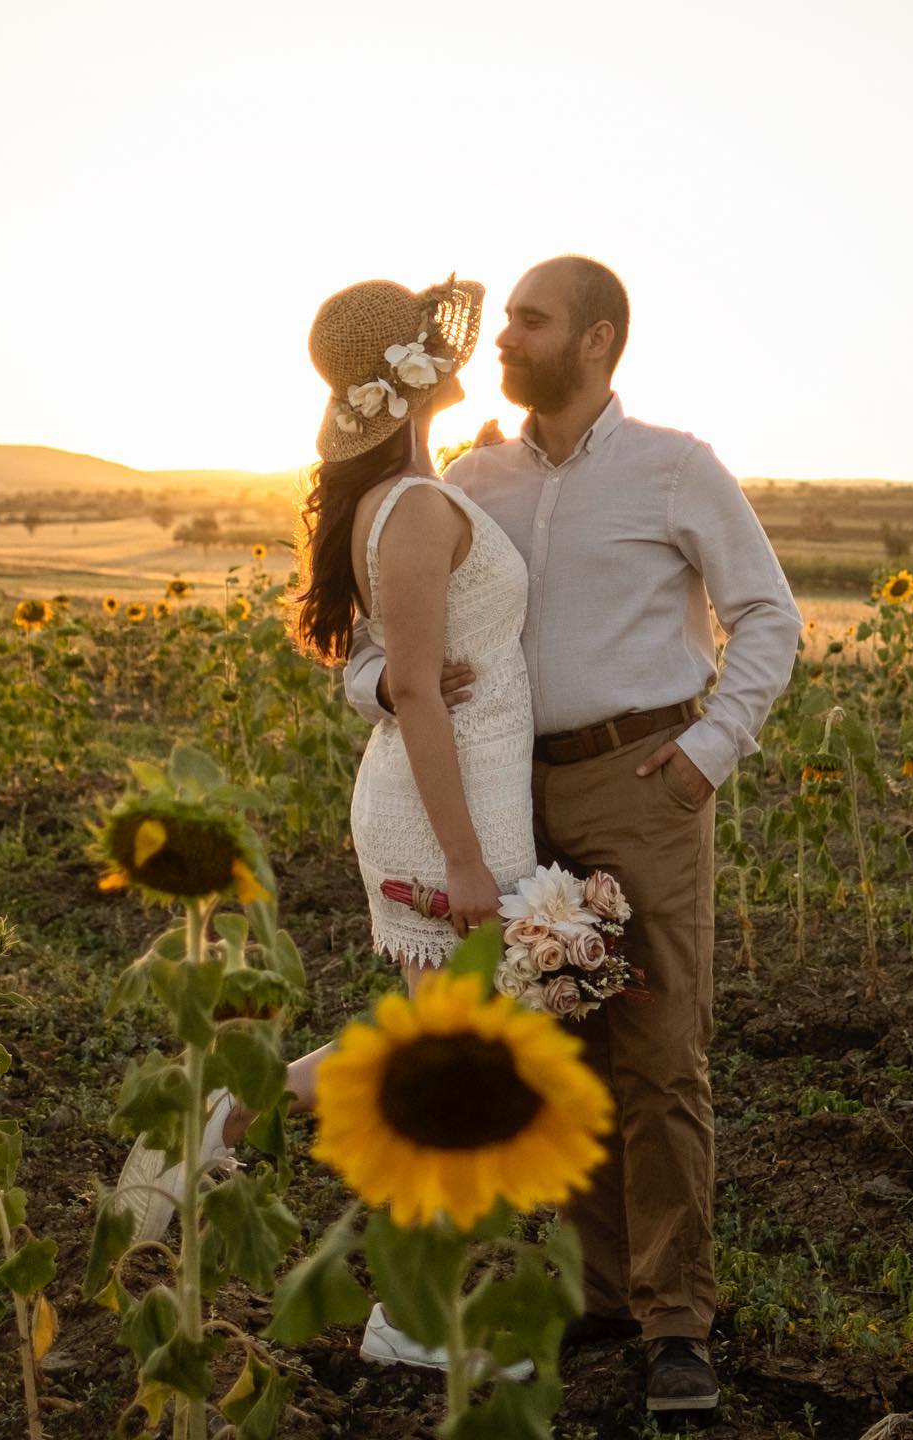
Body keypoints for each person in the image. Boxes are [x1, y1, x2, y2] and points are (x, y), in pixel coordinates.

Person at [344, 255, 803, 1415]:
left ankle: (676, 1322)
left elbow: (768, 616)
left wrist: (709, 750)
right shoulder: (471, 476)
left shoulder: (675, 469)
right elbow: (378, 647)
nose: (502, 337)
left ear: (597, 340)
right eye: (504, 320)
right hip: (509, 798)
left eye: (529, 321)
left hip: (641, 780)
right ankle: (603, 1289)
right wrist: (392, 690)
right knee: (563, 1048)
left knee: (658, 1053)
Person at [114, 273, 537, 1379]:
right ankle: (410, 1319)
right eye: (435, 348)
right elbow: (406, 688)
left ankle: (245, 1104)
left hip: (457, 793)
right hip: (443, 812)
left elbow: (386, 674)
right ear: (409, 378)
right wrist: (463, 859)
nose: (459, 356)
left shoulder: (409, 496)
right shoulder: (415, 511)